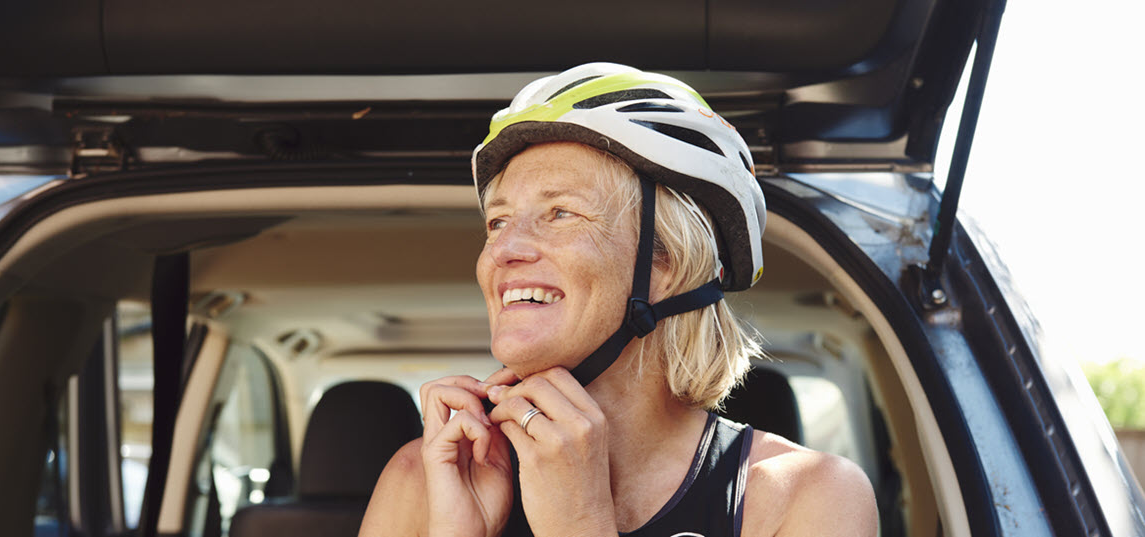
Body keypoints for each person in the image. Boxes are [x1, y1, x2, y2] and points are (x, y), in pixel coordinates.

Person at [358, 63, 877, 537]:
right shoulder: (425, 477)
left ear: (669, 263)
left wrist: (580, 526)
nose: (503, 251)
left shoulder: (805, 495)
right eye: (497, 221)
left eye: (560, 212)